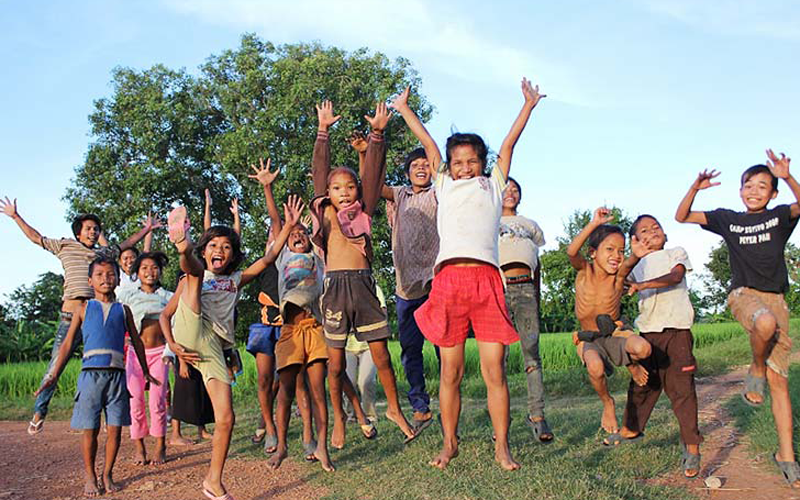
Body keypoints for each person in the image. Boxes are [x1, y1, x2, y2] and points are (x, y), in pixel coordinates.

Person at [390, 78, 543, 470]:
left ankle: (502, 447)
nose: (464, 167)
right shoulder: (443, 183)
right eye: (458, 161)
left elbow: (508, 146)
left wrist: (527, 106)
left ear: (481, 162)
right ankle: (449, 442)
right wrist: (405, 110)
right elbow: (428, 145)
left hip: (487, 282)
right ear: (450, 165)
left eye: (471, 160)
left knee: (495, 371)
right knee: (450, 372)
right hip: (449, 283)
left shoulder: (493, 185)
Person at [675, 149, 800, 488]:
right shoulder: (729, 219)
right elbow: (681, 215)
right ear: (740, 190)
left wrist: (787, 176)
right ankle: (755, 367)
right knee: (763, 324)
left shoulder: (778, 217)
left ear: (773, 194)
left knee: (780, 385)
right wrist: (695, 187)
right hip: (744, 295)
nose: (754, 191)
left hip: (777, 300)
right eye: (748, 185)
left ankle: (786, 456)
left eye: (763, 186)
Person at [160, 198, 290, 500]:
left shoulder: (234, 280)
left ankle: (213, 481)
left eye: (226, 247)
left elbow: (269, 259)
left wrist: (289, 227)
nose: (220, 250)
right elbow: (165, 316)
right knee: (192, 277)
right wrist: (174, 348)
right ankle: (183, 246)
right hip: (190, 329)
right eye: (213, 245)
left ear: (232, 256)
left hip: (212, 349)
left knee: (226, 419)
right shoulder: (192, 276)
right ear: (204, 250)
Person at [309, 99, 416, 447]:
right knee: (336, 365)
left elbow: (372, 174)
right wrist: (323, 130)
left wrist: (377, 135)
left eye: (350, 187)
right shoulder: (324, 211)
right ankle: (341, 417)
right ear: (328, 192)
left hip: (363, 286)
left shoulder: (363, 211)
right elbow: (319, 171)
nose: (344, 192)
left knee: (382, 355)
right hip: (336, 288)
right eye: (337, 188)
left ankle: (394, 409)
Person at [0, 198, 155, 435]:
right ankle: (40, 410)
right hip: (70, 314)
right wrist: (15, 216)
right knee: (55, 365)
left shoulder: (103, 254)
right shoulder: (64, 246)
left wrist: (146, 229)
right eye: (89, 229)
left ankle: (108, 415)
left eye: (96, 229)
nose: (93, 232)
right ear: (78, 232)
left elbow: (125, 245)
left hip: (96, 317)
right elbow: (35, 237)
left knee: (107, 365)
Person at [35, 256, 158, 497]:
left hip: (117, 378)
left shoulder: (124, 310)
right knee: (89, 429)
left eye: (111, 274)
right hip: (90, 378)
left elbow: (137, 342)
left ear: (118, 278)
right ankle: (91, 475)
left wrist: (145, 370)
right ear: (90, 280)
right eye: (100, 275)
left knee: (115, 430)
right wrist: (52, 375)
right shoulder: (82, 308)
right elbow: (68, 343)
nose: (106, 279)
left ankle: (107, 474)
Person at [249, 159, 334, 471]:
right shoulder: (283, 254)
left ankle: (318, 445)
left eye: (302, 232)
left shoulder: (317, 256)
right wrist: (268, 187)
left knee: (316, 392)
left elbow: (322, 225)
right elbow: (276, 222)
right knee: (285, 390)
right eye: (293, 232)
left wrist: (317, 193)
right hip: (289, 330)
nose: (298, 234)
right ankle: (282, 445)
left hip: (315, 329)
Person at [618, 215, 702, 478]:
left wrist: (642, 285)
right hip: (648, 334)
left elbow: (676, 277)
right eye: (644, 230)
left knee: (682, 392)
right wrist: (631, 261)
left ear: (665, 235)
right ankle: (631, 427)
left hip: (677, 332)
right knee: (642, 385)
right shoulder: (635, 265)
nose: (652, 231)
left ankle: (692, 447)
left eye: (656, 228)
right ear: (635, 240)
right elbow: (618, 285)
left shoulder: (675, 253)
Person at [567, 207, 652, 445]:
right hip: (589, 338)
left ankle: (632, 364)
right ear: (593, 253)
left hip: (614, 332)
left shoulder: (618, 277)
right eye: (610, 250)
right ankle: (608, 402)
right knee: (594, 367)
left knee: (643, 349)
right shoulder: (584, 271)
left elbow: (628, 265)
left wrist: (635, 255)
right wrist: (594, 224)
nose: (616, 255)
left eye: (621, 251)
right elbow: (572, 251)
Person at [375, 136, 440, 432]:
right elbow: (373, 186)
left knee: (444, 346)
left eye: (426, 164)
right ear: (407, 172)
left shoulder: (440, 192)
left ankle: (452, 398)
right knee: (411, 349)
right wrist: (369, 151)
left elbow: (438, 165)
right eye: (415, 164)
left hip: (437, 283)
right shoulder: (399, 196)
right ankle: (419, 405)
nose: (422, 168)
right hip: (406, 288)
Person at [498, 177, 553, 443]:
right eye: (505, 188)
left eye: (515, 189)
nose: (510, 192)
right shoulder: (489, 223)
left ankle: (537, 415)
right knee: (499, 358)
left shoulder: (531, 226)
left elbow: (537, 264)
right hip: (499, 290)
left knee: (531, 353)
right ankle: (501, 420)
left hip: (526, 289)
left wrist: (537, 295)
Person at [117, 251, 173, 466]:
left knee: (158, 401)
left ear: (160, 271)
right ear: (137, 273)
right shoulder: (127, 296)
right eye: (144, 268)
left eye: (154, 267)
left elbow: (175, 323)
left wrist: (171, 352)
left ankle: (160, 445)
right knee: (136, 402)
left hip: (160, 354)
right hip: (135, 355)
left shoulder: (168, 296)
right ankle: (139, 447)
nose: (150, 272)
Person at [245, 263, 281, 454]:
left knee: (281, 381)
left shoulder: (299, 260)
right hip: (266, 326)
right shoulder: (265, 263)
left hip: (290, 326)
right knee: (264, 379)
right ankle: (270, 428)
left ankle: (263, 420)